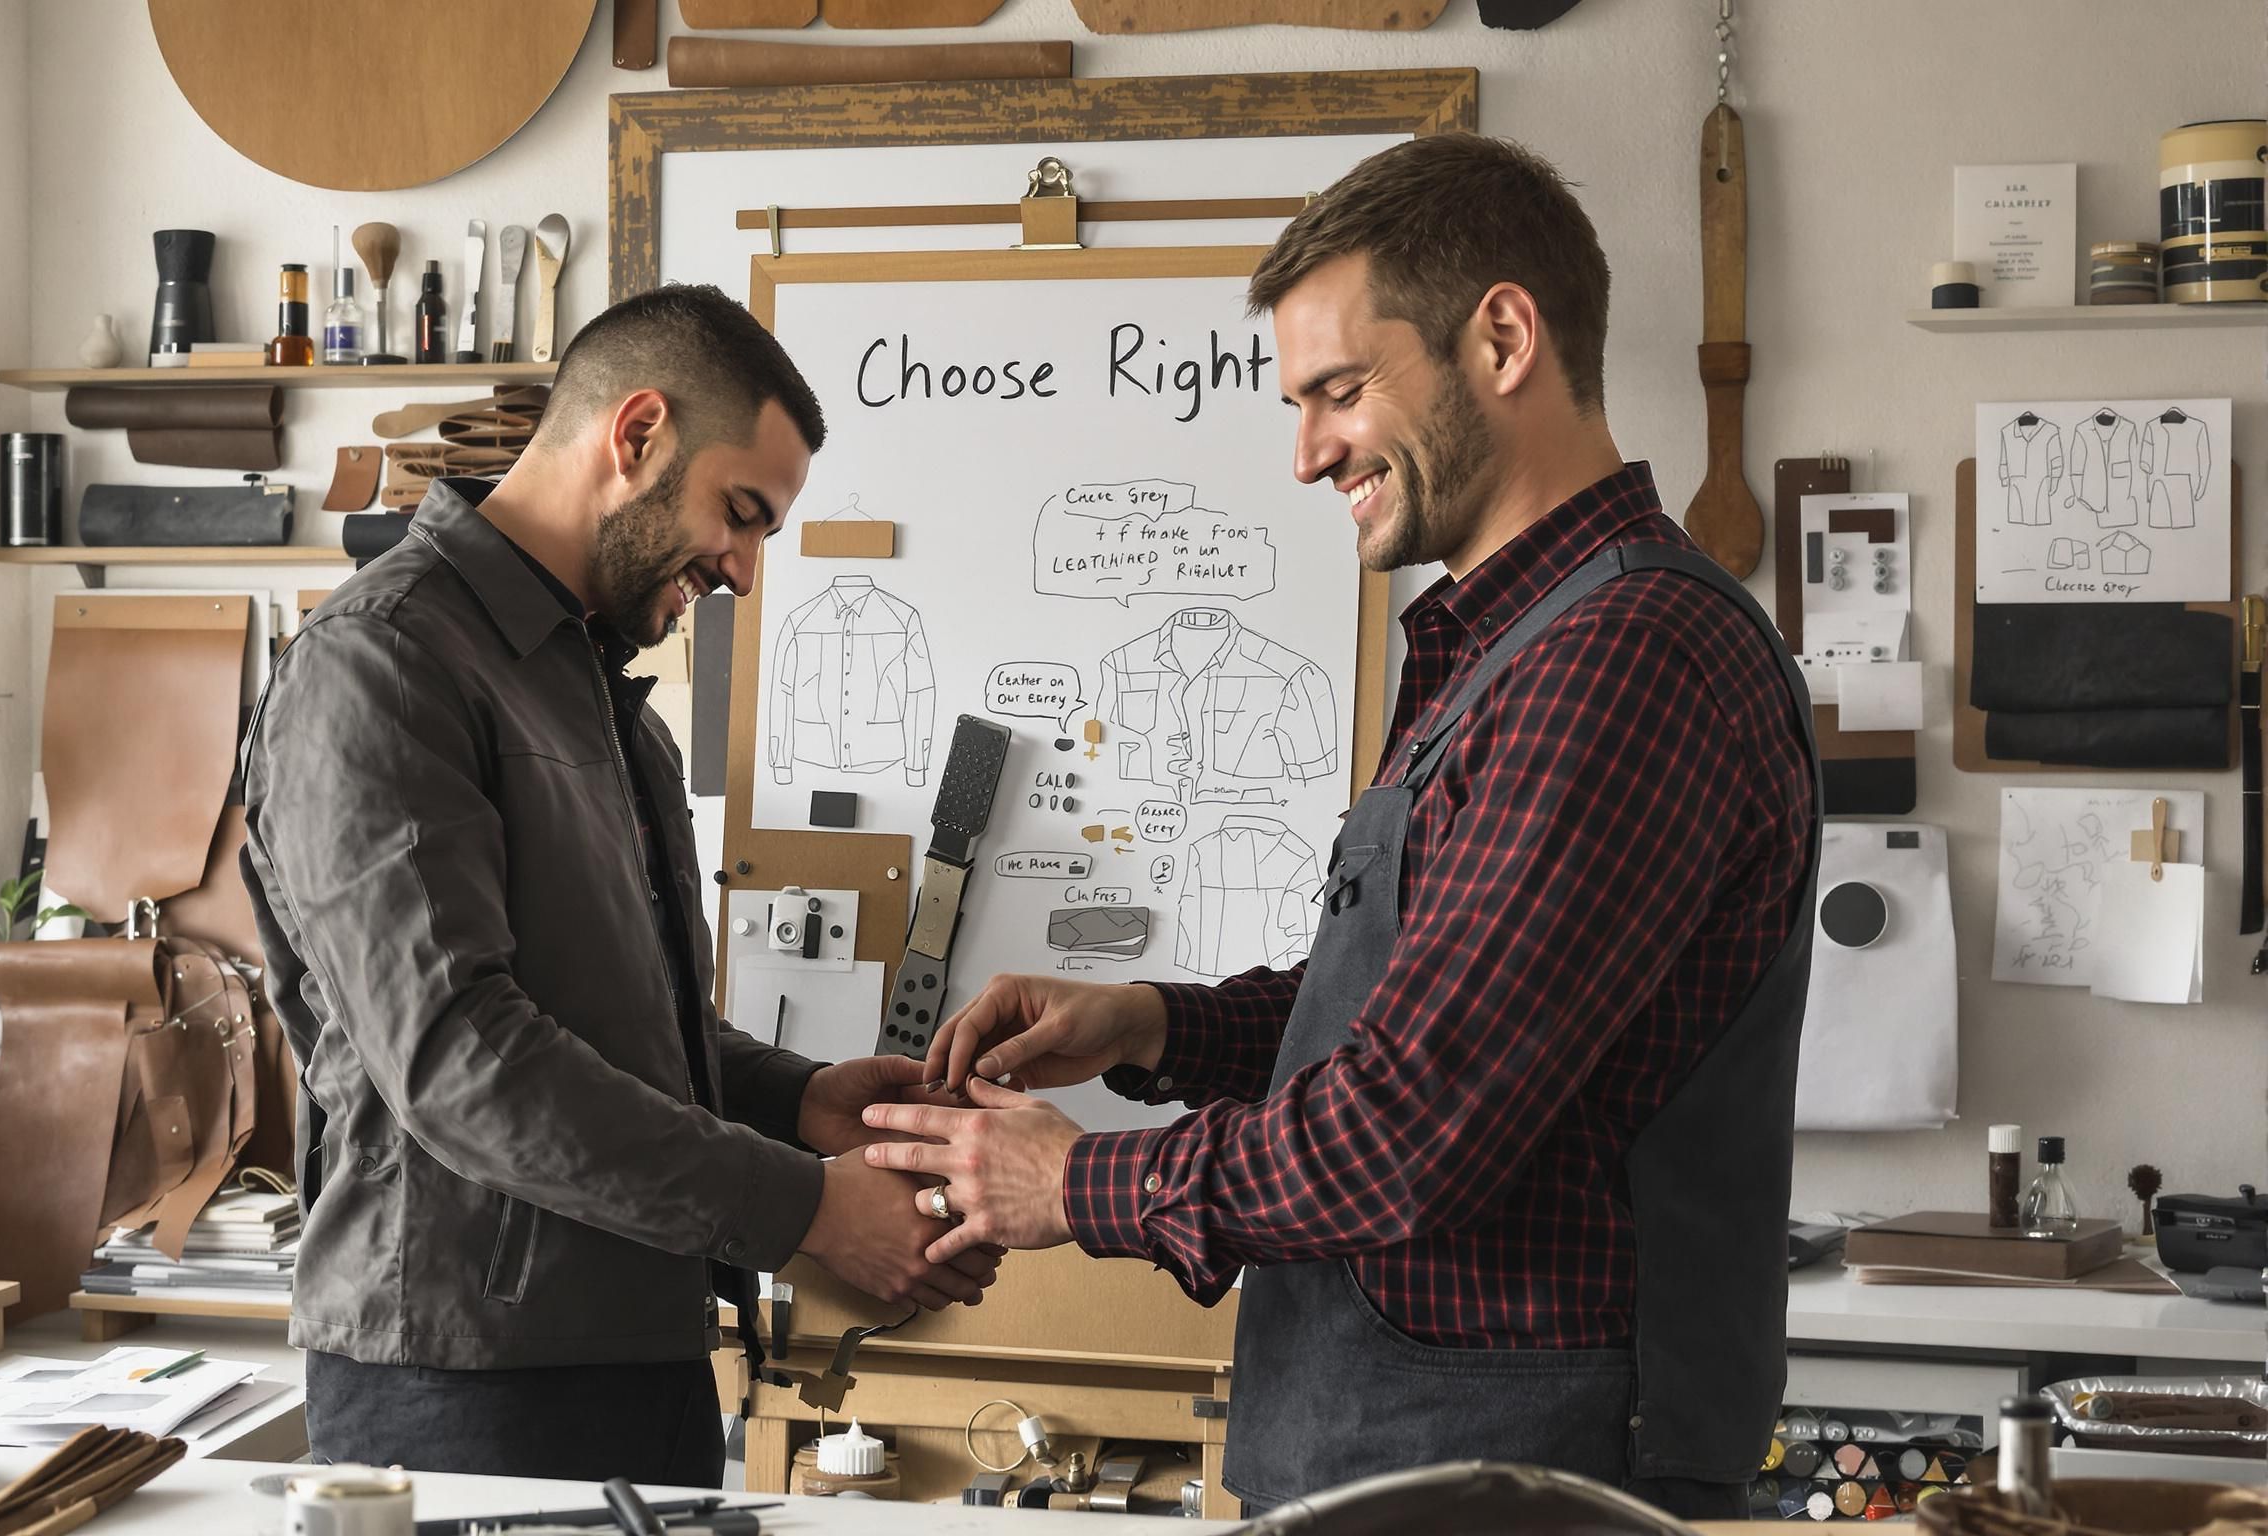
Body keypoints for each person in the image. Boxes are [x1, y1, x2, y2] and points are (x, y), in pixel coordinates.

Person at [859, 134, 1820, 1519]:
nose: (1307, 453)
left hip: (1518, 1466)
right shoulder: (1514, 646)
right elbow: (1418, 1008)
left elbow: (1411, 1125)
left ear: (1501, 338)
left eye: (1340, 392)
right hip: (1411, 1442)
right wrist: (1153, 1024)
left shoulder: (1624, 658)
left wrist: (1078, 1184)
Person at [241, 283, 996, 1481]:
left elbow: (631, 1036)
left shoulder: (606, 706)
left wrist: (801, 1101)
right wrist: (808, 1207)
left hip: (640, 1351)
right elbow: (459, 1058)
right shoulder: (383, 664)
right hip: (462, 1378)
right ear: (636, 433)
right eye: (740, 514)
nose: (746, 572)